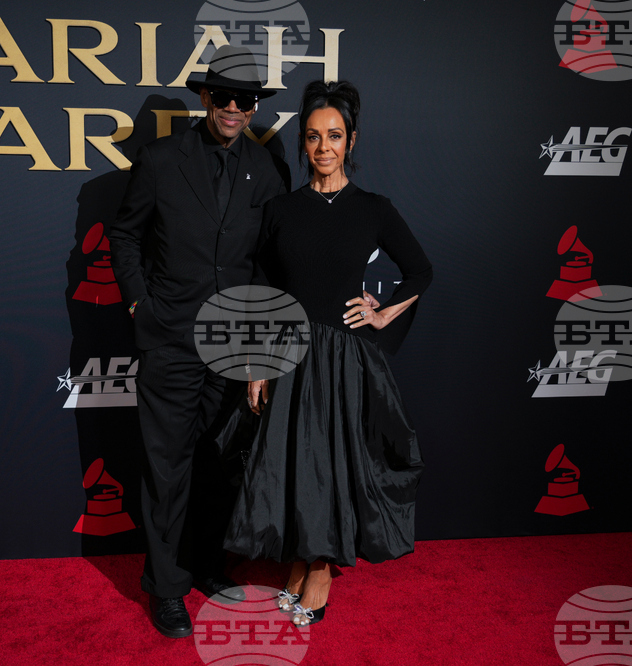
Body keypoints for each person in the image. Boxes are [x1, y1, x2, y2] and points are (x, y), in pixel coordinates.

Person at [225, 80, 433, 626]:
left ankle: (319, 568)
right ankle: (301, 557)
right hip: (290, 353)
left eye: (334, 136)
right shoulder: (281, 210)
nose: (323, 147)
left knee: (331, 464)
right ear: (303, 143)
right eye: (313, 136)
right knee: (295, 463)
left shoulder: (373, 209)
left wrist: (384, 313)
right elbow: (261, 289)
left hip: (345, 358)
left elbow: (420, 270)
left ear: (352, 140)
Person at [108, 46, 288, 639]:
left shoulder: (265, 171)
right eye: (226, 96)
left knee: (218, 464)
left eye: (248, 99)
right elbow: (125, 235)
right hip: (171, 338)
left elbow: (266, 264)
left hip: (232, 344)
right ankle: (165, 587)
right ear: (206, 96)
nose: (236, 108)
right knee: (168, 467)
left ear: (256, 104)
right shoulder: (161, 159)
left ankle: (206, 563)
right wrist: (139, 301)